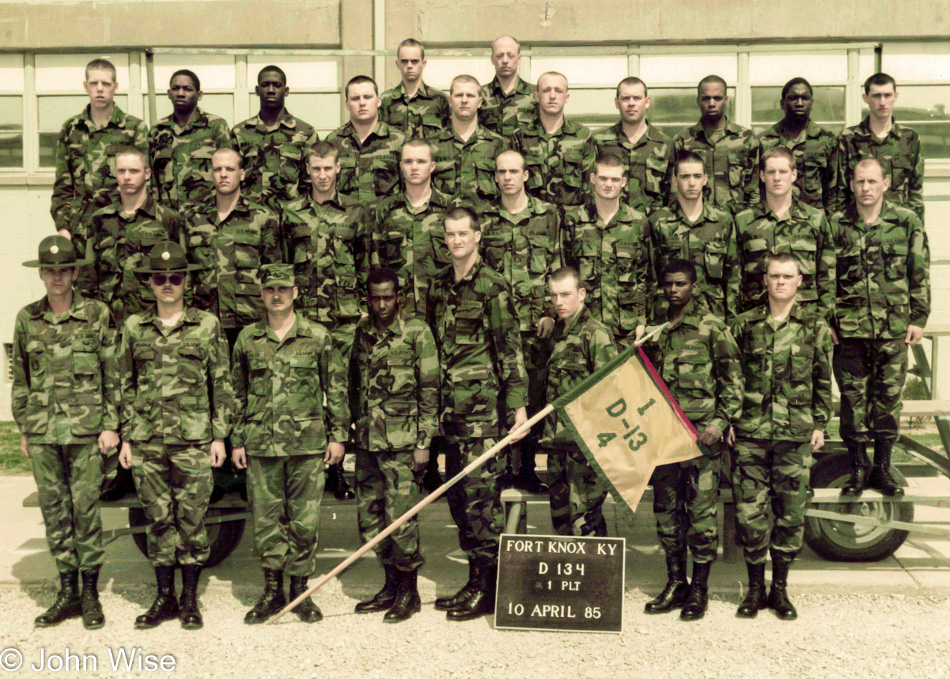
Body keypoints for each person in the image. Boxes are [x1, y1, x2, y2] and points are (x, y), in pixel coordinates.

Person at [117, 241, 232, 631]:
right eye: (161, 278)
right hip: (147, 441)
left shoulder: (207, 325)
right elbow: (125, 385)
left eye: (175, 278)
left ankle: (189, 600)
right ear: (150, 282)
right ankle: (163, 596)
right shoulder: (134, 327)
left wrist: (219, 437)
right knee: (158, 520)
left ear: (187, 282)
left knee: (193, 521)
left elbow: (221, 382)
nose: (168, 284)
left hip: (194, 440)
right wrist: (127, 439)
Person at [12, 236, 119, 630]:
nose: (57, 278)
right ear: (41, 274)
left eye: (64, 270)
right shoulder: (27, 318)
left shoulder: (97, 314)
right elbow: (20, 379)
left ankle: (90, 594)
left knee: (86, 512)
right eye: (50, 271)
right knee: (55, 514)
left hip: (86, 433)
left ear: (75, 273)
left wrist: (111, 424)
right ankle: (67, 593)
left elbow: (113, 374)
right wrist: (26, 427)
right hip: (43, 433)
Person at [427, 206, 528, 621]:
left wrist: (518, 408)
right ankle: (476, 580)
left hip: (483, 415)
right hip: (450, 414)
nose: (456, 241)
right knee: (457, 498)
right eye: (449, 234)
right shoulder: (437, 287)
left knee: (479, 502)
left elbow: (509, 348)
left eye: (463, 233)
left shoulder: (492, 285)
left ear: (478, 236)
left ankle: (486, 588)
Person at [231, 263, 347, 625]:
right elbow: (235, 392)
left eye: (283, 289)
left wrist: (339, 435)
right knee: (266, 522)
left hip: (307, 445)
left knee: (305, 521)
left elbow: (337, 388)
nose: (276, 296)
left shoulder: (317, 336)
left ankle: (300, 591)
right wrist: (236, 439)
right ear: (262, 294)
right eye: (270, 290)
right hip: (262, 445)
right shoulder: (248, 339)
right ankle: (271, 591)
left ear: (296, 292)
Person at [729, 253, 833, 621]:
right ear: (765, 281)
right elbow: (733, 378)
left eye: (788, 276)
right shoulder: (745, 325)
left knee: (790, 515)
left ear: (800, 281)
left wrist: (820, 423)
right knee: (750, 514)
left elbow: (823, 378)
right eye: (774, 276)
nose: (780, 282)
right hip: (751, 434)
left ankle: (781, 590)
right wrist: (730, 419)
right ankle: (755, 589)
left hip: (795, 434)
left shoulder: (815, 326)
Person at [643, 259, 742, 622]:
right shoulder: (656, 330)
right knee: (666, 513)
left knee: (701, 517)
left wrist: (720, 421)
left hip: (702, 439)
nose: (673, 290)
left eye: (681, 284)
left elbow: (733, 383)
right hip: (665, 438)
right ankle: (675, 582)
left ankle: (699, 589)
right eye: (668, 284)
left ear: (694, 287)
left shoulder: (713, 328)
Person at [830, 157, 930, 497]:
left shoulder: (905, 221)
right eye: (860, 182)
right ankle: (858, 469)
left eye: (872, 182)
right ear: (852, 184)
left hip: (893, 329)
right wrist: (829, 321)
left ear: (885, 184)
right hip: (849, 331)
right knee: (852, 401)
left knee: (888, 401)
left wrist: (918, 318)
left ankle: (883, 469)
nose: (865, 188)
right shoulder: (836, 224)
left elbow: (919, 271)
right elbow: (824, 277)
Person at [349, 267, 439, 622]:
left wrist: (424, 441)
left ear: (399, 296)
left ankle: (409, 592)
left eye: (388, 297)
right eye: (376, 297)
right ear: (367, 298)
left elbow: (429, 389)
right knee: (370, 521)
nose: (382, 304)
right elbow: (356, 382)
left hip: (404, 444)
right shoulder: (362, 331)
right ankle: (390, 585)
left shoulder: (417, 332)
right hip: (369, 443)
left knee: (401, 522)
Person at [282, 140, 368, 501]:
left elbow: (366, 262)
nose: (321, 175)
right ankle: (310, 469)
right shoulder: (291, 213)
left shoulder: (355, 212)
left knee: (343, 394)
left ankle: (338, 472)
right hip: (303, 319)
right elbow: (282, 266)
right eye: (315, 168)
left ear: (338, 169)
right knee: (306, 396)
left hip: (344, 319)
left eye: (327, 168)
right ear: (307, 170)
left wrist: (363, 308)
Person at [371, 139, 452, 493]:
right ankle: (410, 462)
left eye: (421, 161)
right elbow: (375, 263)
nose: (414, 167)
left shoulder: (449, 210)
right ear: (399, 166)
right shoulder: (386, 212)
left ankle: (435, 463)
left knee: (438, 386)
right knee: (404, 386)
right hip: (399, 319)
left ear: (433, 166)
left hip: (439, 314)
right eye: (408, 161)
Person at [479, 150, 559, 492]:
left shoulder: (548, 215)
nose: (508, 177)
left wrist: (550, 312)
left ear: (526, 175)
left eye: (514, 171)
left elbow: (557, 263)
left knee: (534, 396)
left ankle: (526, 468)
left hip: (534, 326)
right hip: (498, 326)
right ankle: (503, 471)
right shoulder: (485, 221)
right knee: (502, 396)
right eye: (502, 172)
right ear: (495, 177)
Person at [51, 58, 149, 295]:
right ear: (85, 86)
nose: (100, 88)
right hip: (80, 229)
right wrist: (63, 227)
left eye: (106, 83)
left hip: (120, 227)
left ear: (116, 87)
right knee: (83, 295)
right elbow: (62, 184)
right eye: (94, 83)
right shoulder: (72, 129)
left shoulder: (134, 128)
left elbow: (146, 182)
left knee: (125, 292)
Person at [542, 266, 617, 536]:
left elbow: (610, 393)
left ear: (582, 294)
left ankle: (596, 578)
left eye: (565, 294)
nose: (558, 302)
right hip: (558, 444)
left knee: (585, 521)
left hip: (584, 449)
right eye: (553, 295)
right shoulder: (558, 334)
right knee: (562, 522)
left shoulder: (596, 334)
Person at [183, 147, 281, 347]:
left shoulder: (262, 217)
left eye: (230, 169)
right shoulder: (193, 219)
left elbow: (274, 273)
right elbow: (184, 273)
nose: (223, 174)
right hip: (203, 320)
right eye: (218, 169)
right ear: (212, 175)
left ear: (242, 174)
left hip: (250, 322)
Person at [562, 152, 651, 350]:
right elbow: (565, 272)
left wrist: (641, 319)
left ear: (623, 182)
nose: (608, 184)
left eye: (614, 179)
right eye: (603, 178)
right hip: (584, 326)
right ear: (593, 179)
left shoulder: (638, 222)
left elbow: (643, 277)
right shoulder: (574, 221)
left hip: (624, 329)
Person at [734, 146, 835, 317]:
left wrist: (825, 319)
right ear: (762, 176)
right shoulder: (745, 221)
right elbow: (733, 277)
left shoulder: (815, 220)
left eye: (783, 171)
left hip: (805, 318)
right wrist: (733, 319)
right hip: (756, 318)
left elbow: (827, 275)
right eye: (771, 172)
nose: (777, 178)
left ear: (793, 175)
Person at [89, 146, 183, 327]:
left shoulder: (168, 219)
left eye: (134, 171)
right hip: (109, 320)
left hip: (152, 321)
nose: (127, 177)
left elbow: (183, 274)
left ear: (147, 174)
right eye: (121, 171)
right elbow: (88, 276)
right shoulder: (100, 219)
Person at [649, 151, 739, 323]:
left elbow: (733, 275)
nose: (691, 183)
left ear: (705, 179)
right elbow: (650, 277)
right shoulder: (658, 222)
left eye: (697, 176)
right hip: (670, 319)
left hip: (712, 317)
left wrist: (731, 321)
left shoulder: (722, 221)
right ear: (675, 181)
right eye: (685, 177)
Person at [834, 73, 924, 221]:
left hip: (897, 227)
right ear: (865, 98)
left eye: (887, 95)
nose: (882, 102)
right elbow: (840, 191)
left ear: (895, 96)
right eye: (876, 96)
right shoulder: (848, 138)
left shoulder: (909, 139)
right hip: (858, 227)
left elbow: (916, 193)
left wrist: (917, 232)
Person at [232, 65, 316, 215]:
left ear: (286, 91)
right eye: (265, 85)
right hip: (250, 220)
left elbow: (312, 182)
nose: (271, 90)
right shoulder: (240, 133)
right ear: (257, 90)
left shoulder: (305, 133)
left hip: (291, 219)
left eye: (277, 85)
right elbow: (231, 180)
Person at [584, 77, 674, 214]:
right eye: (625, 98)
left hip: (651, 228)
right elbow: (588, 188)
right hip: (610, 228)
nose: (631, 103)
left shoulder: (665, 144)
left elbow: (673, 193)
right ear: (617, 102)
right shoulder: (600, 141)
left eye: (637, 98)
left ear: (647, 102)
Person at [148, 69, 233, 212]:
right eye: (175, 88)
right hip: (167, 215)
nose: (180, 93)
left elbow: (229, 173)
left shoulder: (216, 126)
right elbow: (151, 177)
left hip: (206, 216)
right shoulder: (158, 130)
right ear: (169, 94)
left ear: (199, 95)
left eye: (187, 89)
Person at [672, 75, 760, 211]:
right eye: (706, 98)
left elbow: (754, 189)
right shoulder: (683, 140)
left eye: (717, 98)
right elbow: (674, 189)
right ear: (698, 101)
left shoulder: (746, 139)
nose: (711, 103)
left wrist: (749, 222)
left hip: (735, 221)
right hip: (696, 222)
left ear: (726, 100)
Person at [757, 78, 837, 215]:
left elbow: (833, 189)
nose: (799, 103)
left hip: (813, 221)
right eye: (793, 98)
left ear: (811, 104)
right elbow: (757, 187)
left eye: (804, 98)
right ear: (782, 104)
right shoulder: (765, 140)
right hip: (775, 219)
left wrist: (829, 223)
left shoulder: (827, 140)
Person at [322, 75, 405, 205]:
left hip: (385, 221)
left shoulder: (399, 141)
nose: (362, 103)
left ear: (378, 101)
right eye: (355, 98)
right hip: (345, 222)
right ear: (347, 104)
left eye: (367, 97)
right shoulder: (333, 142)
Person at [512, 71, 591, 208]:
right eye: (546, 90)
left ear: (566, 97)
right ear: (536, 96)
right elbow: (512, 186)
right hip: (531, 222)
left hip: (570, 222)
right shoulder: (520, 137)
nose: (552, 96)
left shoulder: (582, 136)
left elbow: (590, 187)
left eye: (558, 91)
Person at [430, 75, 508, 213]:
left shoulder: (497, 144)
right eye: (459, 95)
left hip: (486, 225)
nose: (464, 100)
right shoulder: (431, 144)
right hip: (443, 226)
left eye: (470, 96)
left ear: (479, 102)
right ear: (450, 101)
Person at [380, 38, 449, 139]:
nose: (409, 66)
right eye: (404, 61)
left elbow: (449, 137)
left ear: (423, 64)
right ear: (398, 64)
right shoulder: (385, 100)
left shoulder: (439, 99)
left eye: (414, 61)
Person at [479, 35, 537, 137]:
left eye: (510, 55)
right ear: (492, 59)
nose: (505, 60)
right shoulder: (479, 95)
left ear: (519, 58)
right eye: (500, 55)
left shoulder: (536, 94)